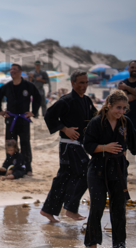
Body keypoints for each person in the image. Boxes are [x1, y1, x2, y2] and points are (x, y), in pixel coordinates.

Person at [41, 71, 97, 222]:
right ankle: (71, 209)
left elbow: (95, 117)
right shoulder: (66, 100)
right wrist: (65, 129)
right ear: (73, 83)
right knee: (87, 172)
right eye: (81, 82)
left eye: (86, 82)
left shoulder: (87, 100)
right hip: (69, 145)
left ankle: (48, 210)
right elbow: (49, 115)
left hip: (79, 145)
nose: (84, 85)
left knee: (64, 177)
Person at [83, 91, 135, 248]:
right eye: (118, 107)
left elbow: (134, 146)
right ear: (109, 105)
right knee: (97, 205)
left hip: (119, 169)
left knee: (119, 207)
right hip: (98, 169)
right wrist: (105, 147)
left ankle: (119, 245)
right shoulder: (96, 122)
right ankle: (91, 243)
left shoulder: (126, 123)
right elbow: (87, 145)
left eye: (124, 108)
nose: (121, 111)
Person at [0, 63, 41, 175]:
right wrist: (0, 111)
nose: (12, 71)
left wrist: (33, 112)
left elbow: (38, 97)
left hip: (23, 119)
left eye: (14, 69)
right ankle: (10, 165)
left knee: (25, 143)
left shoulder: (28, 85)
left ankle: (27, 168)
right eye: (11, 70)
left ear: (20, 72)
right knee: (10, 143)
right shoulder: (7, 86)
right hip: (11, 119)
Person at [118, 60, 136, 125]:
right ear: (128, 69)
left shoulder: (124, 85)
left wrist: (126, 87)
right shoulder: (122, 83)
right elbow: (125, 99)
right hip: (126, 118)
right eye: (132, 67)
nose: (134, 69)